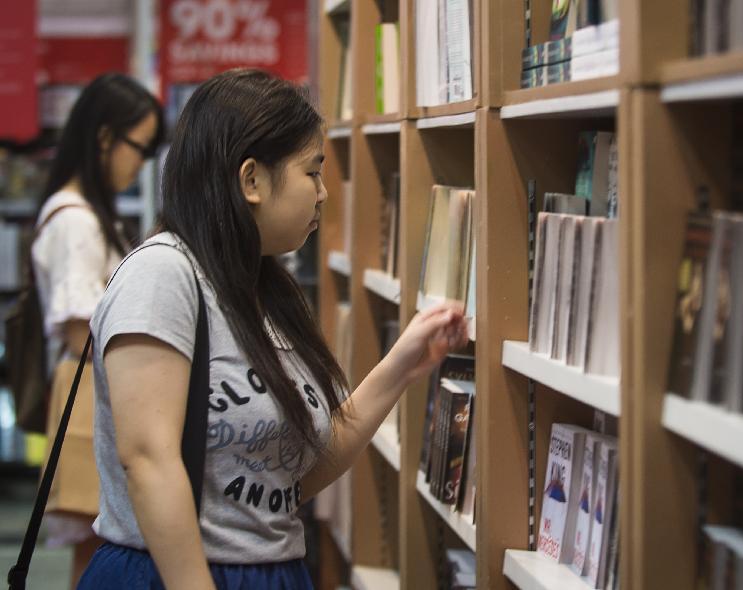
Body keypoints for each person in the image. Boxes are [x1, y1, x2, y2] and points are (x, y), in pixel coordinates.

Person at [76, 68, 469, 589]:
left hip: (275, 571)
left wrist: (403, 365)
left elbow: (293, 477)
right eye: (313, 172)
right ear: (252, 180)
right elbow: (148, 461)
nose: (324, 194)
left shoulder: (265, 290)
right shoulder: (163, 274)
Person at [30, 73, 163, 589]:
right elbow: (75, 330)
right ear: (105, 136)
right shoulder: (76, 221)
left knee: (102, 541)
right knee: (99, 542)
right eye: (139, 145)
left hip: (94, 388)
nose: (140, 162)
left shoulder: (87, 214)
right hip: (89, 393)